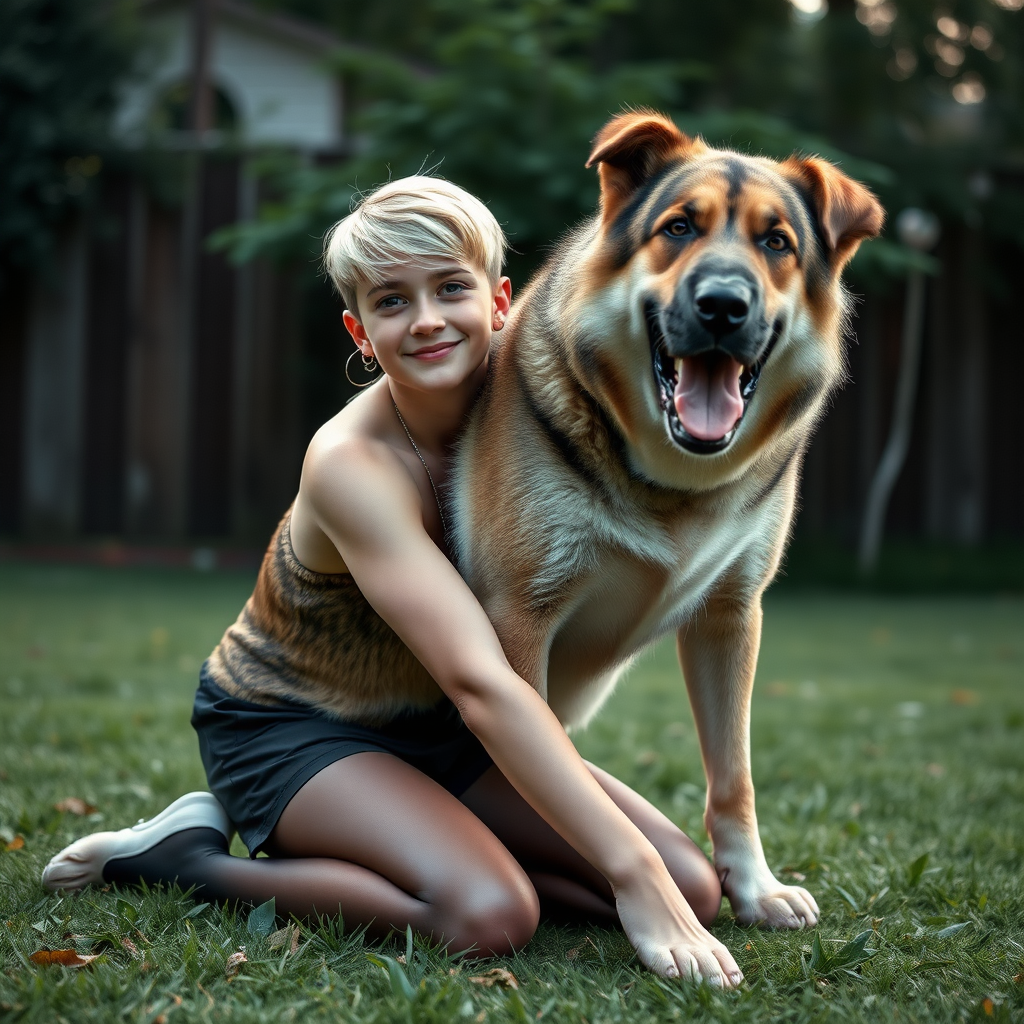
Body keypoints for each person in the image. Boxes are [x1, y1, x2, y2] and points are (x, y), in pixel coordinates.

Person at [42, 177, 741, 987]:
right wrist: (629, 875)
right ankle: (183, 860)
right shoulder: (352, 465)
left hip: (438, 729)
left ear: (501, 299)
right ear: (361, 330)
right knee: (487, 916)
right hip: (295, 726)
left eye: (451, 287)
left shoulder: (532, 411)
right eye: (392, 301)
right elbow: (483, 681)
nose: (429, 320)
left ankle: (448, 846)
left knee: (692, 886)